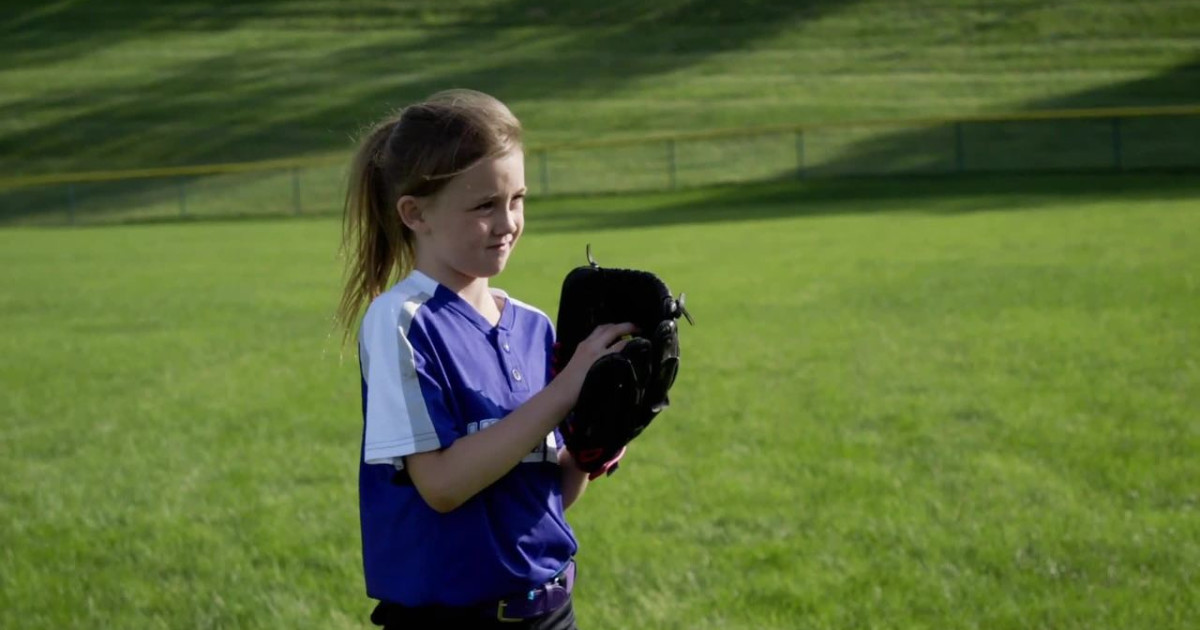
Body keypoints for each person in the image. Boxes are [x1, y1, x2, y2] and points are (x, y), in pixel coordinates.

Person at [333, 88, 634, 629]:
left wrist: (595, 444)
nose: (507, 221)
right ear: (415, 213)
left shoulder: (535, 326)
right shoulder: (402, 321)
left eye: (517, 198)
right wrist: (566, 390)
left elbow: (547, 497)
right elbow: (443, 487)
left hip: (551, 610)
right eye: (483, 205)